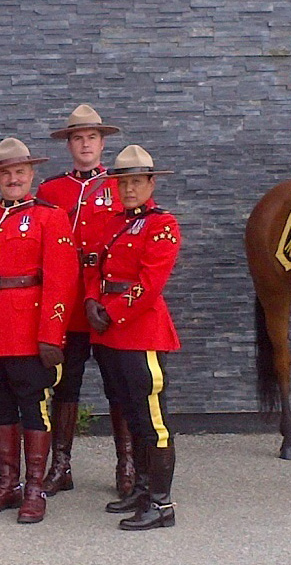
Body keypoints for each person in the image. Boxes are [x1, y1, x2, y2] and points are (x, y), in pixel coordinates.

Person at [0, 137, 78, 524]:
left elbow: (62, 280)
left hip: (29, 330)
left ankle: (35, 488)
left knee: (33, 407)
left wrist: (51, 334)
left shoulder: (51, 216)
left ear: (31, 174)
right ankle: (7, 484)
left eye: (19, 172)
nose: (12, 179)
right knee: (0, 407)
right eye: (5, 173)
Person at [36, 104, 135, 498]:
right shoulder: (51, 190)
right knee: (65, 386)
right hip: (68, 302)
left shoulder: (120, 185)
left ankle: (126, 464)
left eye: (91, 137)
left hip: (108, 301)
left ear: (102, 142)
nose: (85, 144)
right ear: (69, 145)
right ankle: (61, 466)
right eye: (78, 138)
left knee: (119, 385)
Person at [84, 144, 181, 531]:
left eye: (136, 182)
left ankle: (161, 504)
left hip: (140, 331)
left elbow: (150, 283)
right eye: (122, 183)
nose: (128, 190)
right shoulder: (110, 222)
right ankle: (141, 489)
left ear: (151, 183)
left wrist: (112, 311)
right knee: (131, 414)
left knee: (153, 419)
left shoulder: (163, 224)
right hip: (108, 334)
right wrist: (92, 301)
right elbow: (93, 265)